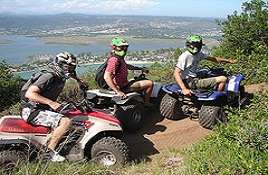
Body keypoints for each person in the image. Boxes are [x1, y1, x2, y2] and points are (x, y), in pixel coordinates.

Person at [20, 52, 87, 162]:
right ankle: (49, 153)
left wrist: (79, 81)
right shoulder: (49, 76)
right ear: (60, 64)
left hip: (42, 108)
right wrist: (52, 103)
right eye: (68, 66)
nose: (70, 69)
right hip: (32, 110)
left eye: (73, 66)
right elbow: (30, 94)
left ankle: (60, 146)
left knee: (72, 115)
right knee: (65, 122)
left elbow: (73, 75)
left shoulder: (61, 74)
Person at [103, 37, 154, 105]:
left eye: (125, 47)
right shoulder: (114, 60)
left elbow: (127, 66)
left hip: (124, 85)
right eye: (121, 47)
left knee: (135, 80)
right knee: (149, 83)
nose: (124, 49)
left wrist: (140, 69)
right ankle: (146, 103)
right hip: (121, 88)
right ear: (114, 47)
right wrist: (118, 91)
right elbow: (106, 76)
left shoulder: (119, 58)